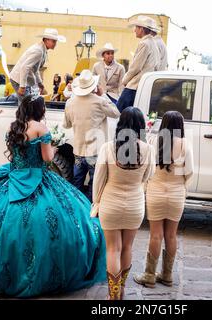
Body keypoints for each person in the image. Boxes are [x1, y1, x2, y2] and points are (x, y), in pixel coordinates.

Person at [0, 95, 106, 298]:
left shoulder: (13, 127)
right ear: (39, 110)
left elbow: (14, 152)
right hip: (36, 176)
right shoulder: (41, 129)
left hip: (14, 175)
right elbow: (47, 159)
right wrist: (53, 147)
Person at [92, 107, 156, 300]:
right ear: (141, 127)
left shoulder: (108, 148)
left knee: (113, 249)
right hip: (135, 204)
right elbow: (149, 176)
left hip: (110, 203)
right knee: (127, 248)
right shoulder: (148, 149)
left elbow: (98, 179)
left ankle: (113, 296)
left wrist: (96, 202)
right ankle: (121, 290)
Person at [134, 111, 193, 288]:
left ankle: (149, 274)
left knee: (155, 235)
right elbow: (189, 172)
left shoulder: (153, 141)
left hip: (155, 191)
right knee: (171, 235)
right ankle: (167, 275)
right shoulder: (185, 144)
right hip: (176, 193)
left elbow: (147, 168)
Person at [63, 70, 120, 201]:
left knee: (77, 185)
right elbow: (116, 112)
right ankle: (91, 212)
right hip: (95, 151)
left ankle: (78, 212)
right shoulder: (99, 101)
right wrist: (104, 94)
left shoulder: (70, 103)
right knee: (95, 185)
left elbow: (66, 125)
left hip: (78, 150)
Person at [9, 28, 65, 105]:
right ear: (46, 40)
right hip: (19, 80)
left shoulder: (42, 50)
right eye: (54, 41)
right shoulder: (39, 51)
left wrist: (39, 83)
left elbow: (35, 69)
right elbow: (24, 67)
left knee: (25, 103)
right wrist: (22, 87)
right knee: (26, 105)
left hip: (21, 79)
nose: (55, 44)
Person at [117, 16, 159, 112]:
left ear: (142, 29)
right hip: (144, 85)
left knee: (118, 113)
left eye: (136, 27)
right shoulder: (153, 43)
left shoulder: (144, 44)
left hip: (135, 85)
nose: (134, 30)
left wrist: (124, 81)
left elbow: (135, 67)